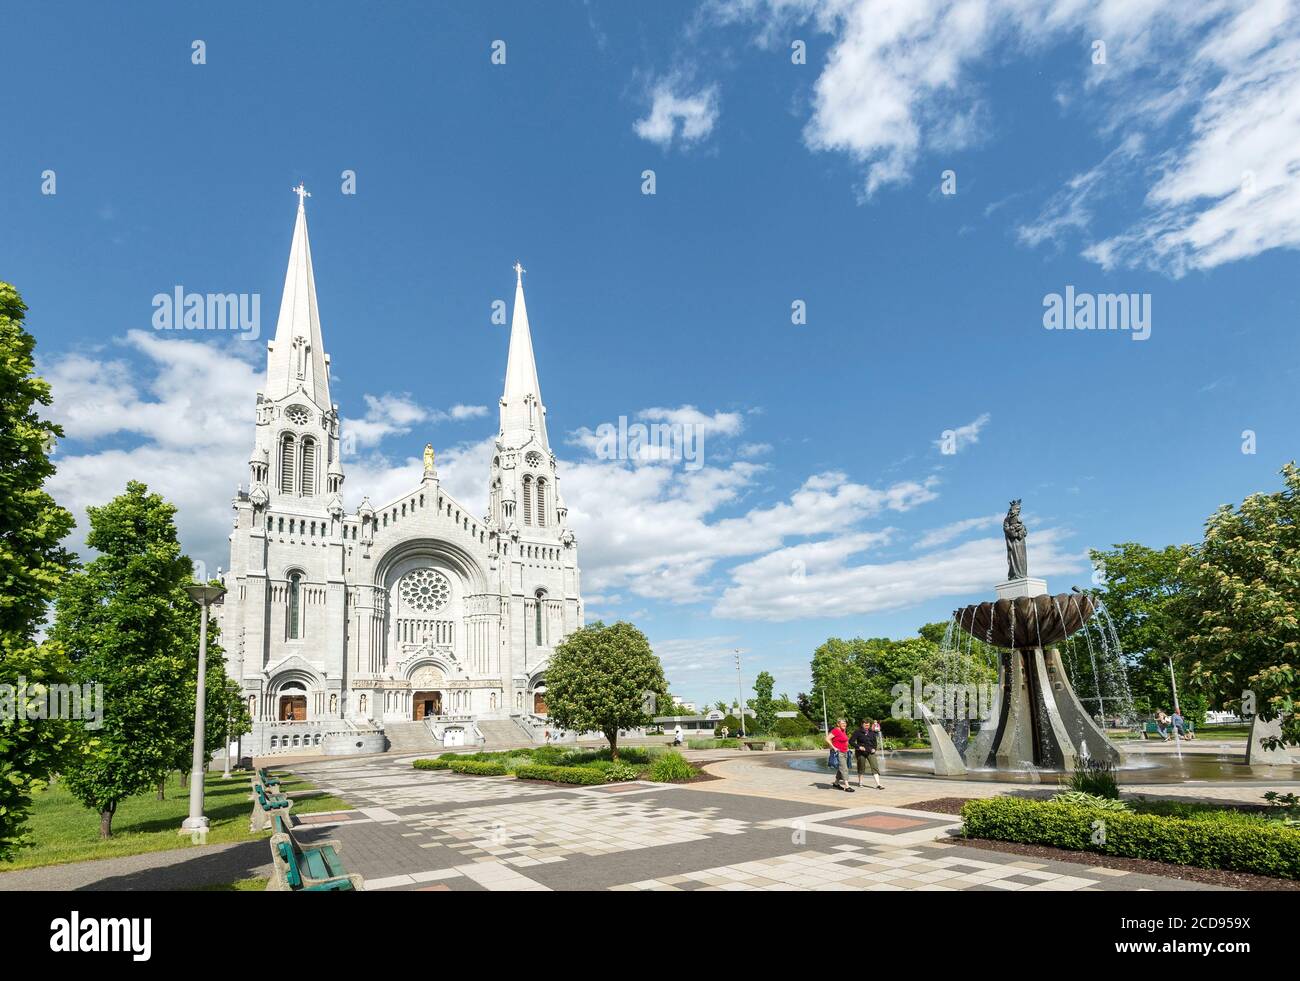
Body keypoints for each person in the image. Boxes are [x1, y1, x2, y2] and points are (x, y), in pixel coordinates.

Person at [850, 719, 883, 789]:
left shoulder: (871, 732)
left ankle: (878, 784)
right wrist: (859, 747)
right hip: (860, 752)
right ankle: (860, 783)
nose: (867, 726)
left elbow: (875, 742)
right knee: (861, 767)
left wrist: (874, 748)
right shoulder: (857, 732)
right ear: (862, 724)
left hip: (871, 751)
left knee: (875, 766)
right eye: (865, 725)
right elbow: (851, 741)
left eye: (868, 725)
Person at [825, 718, 854, 792]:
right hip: (839, 752)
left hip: (845, 752)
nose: (844, 724)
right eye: (842, 723)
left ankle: (836, 783)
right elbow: (827, 738)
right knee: (844, 768)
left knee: (841, 768)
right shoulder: (835, 730)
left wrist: (847, 748)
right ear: (838, 724)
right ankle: (847, 786)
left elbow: (844, 741)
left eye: (845, 723)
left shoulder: (843, 730)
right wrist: (834, 747)